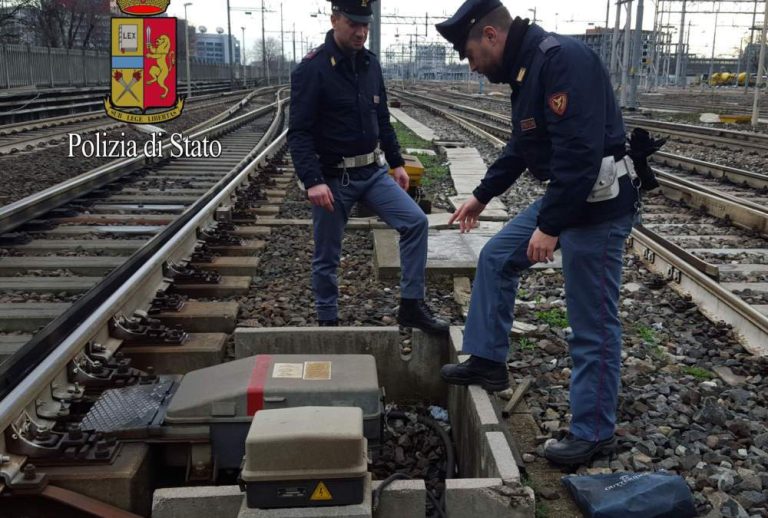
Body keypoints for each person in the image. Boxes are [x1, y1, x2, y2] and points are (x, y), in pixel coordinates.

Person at [435, 0, 640, 466]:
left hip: (599, 206)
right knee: (497, 257)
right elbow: (522, 145)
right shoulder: (527, 72)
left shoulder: (561, 60)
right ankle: (487, 361)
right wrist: (482, 196)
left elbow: (581, 155)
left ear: (490, 36)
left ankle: (594, 433)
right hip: (569, 197)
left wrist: (550, 227)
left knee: (592, 325)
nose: (471, 67)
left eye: (469, 54)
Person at [287, 0, 448, 334]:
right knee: (327, 254)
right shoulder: (312, 69)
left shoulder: (371, 65)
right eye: (353, 24)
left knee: (415, 222)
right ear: (334, 20)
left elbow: (381, 118)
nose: (361, 32)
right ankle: (327, 320)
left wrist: (397, 163)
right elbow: (299, 132)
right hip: (333, 178)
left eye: (365, 25)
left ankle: (411, 306)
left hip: (372, 172)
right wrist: (312, 180)